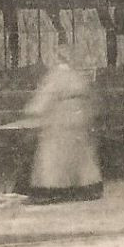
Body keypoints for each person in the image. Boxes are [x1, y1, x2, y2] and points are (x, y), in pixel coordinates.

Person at [21, 43, 102, 203]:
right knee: (81, 155)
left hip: (61, 120)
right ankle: (85, 188)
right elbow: (91, 98)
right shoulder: (79, 76)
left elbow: (43, 100)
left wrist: (32, 109)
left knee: (52, 154)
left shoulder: (55, 77)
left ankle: (56, 190)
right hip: (79, 119)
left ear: (57, 58)